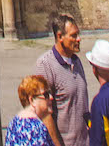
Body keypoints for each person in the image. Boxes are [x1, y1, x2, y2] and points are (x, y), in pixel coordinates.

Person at [32, 12, 90, 146]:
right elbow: (44, 112)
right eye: (73, 35)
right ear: (60, 37)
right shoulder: (45, 65)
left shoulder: (77, 62)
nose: (79, 39)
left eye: (78, 34)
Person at [5, 74, 54, 145]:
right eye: (46, 95)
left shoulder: (13, 123)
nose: (51, 97)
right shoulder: (36, 128)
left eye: (50, 93)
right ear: (32, 100)